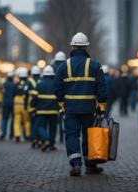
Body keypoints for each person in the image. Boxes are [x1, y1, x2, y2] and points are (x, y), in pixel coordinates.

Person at [54, 32, 107, 176]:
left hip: (70, 109)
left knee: (71, 136)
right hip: (89, 109)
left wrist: (62, 104)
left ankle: (76, 165)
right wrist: (102, 107)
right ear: (85, 47)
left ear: (72, 47)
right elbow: (102, 87)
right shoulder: (95, 65)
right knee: (89, 136)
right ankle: (90, 166)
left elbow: (57, 88)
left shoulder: (64, 66)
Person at [32, 65, 59, 151]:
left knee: (41, 127)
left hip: (41, 110)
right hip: (53, 110)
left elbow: (34, 97)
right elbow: (59, 96)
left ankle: (45, 139)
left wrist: (33, 107)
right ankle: (51, 144)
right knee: (52, 128)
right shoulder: (55, 83)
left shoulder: (39, 83)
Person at [13, 67, 31, 142]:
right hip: (25, 105)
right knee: (27, 121)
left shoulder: (17, 84)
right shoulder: (29, 83)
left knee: (17, 121)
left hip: (17, 106)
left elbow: (13, 93)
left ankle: (17, 135)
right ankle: (27, 135)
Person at [26, 66, 41, 147]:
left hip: (31, 105)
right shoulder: (41, 80)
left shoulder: (29, 81)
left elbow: (26, 94)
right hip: (40, 105)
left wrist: (26, 105)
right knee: (39, 123)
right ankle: (39, 139)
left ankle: (33, 139)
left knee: (32, 123)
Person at [0, 71, 15, 140]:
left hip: (5, 103)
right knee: (13, 119)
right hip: (13, 103)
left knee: (4, 119)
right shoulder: (14, 85)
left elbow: (1, 91)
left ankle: (3, 133)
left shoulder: (4, 84)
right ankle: (12, 134)